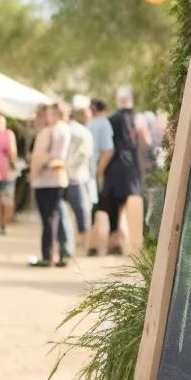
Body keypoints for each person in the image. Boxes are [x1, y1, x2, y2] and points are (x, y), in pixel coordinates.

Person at [94, 85, 141, 256]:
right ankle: (121, 241)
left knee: (111, 207)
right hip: (131, 169)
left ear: (118, 100)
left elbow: (108, 148)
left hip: (114, 170)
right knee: (123, 207)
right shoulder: (138, 119)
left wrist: (99, 171)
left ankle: (115, 241)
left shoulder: (111, 120)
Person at [28, 102, 70, 268]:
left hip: (46, 179)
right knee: (55, 217)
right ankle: (60, 253)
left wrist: (35, 171)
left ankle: (49, 256)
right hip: (56, 178)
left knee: (49, 219)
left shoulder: (51, 130)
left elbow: (45, 156)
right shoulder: (63, 129)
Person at [86, 98, 114, 257]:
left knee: (94, 210)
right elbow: (108, 150)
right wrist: (99, 172)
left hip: (89, 172)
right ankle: (99, 246)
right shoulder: (104, 123)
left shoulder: (90, 124)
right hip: (94, 173)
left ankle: (93, 245)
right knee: (100, 210)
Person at [65, 103, 94, 247]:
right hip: (78, 176)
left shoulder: (65, 129)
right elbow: (85, 154)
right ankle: (83, 242)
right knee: (82, 210)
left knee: (67, 211)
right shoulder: (83, 132)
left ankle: (70, 241)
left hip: (64, 175)